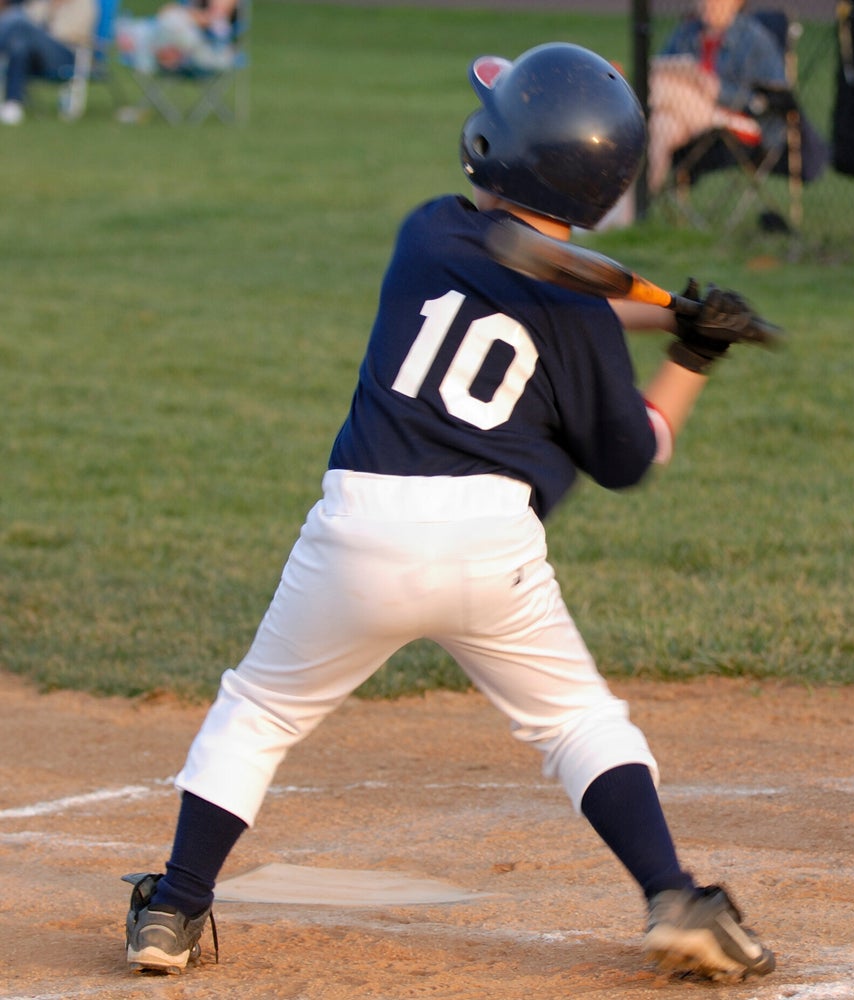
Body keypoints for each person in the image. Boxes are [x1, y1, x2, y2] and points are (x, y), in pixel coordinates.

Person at [120, 42, 777, 983]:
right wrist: (693, 357)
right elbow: (634, 448)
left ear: (493, 148)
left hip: (358, 528)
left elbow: (538, 279)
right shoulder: (586, 323)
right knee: (579, 726)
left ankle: (174, 910)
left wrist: (662, 311)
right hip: (489, 548)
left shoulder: (428, 233)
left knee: (259, 710)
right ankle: (674, 893)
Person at [646, 0, 789, 193]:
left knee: (654, 87)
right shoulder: (687, 32)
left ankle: (625, 103)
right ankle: (631, 210)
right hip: (691, 118)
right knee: (661, 127)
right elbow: (659, 65)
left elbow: (772, 99)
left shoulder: (755, 40)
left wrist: (718, 90)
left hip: (740, 125)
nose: (708, 3)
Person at [0, 0, 95, 125]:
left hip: (65, 56)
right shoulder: (43, 3)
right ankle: (13, 104)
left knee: (18, 20)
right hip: (36, 56)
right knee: (19, 46)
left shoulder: (83, 4)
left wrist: (41, 33)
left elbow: (73, 34)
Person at [115, 0, 237, 74]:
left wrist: (186, 14)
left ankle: (137, 42)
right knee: (169, 18)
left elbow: (213, 19)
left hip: (208, 49)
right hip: (181, 42)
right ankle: (139, 41)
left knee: (170, 18)